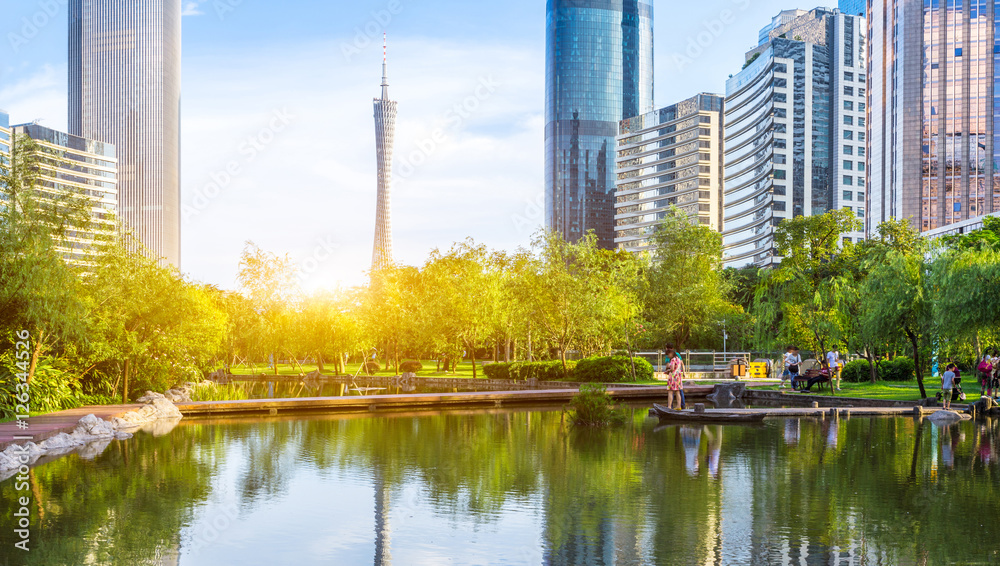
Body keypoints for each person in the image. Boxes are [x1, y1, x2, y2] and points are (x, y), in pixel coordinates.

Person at [665, 345, 684, 410]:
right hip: (678, 377)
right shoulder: (678, 359)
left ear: (671, 353)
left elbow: (672, 368)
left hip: (673, 377)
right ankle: (679, 406)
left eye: (668, 355)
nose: (668, 356)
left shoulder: (673, 359)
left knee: (670, 391)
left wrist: (668, 371)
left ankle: (669, 406)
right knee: (677, 392)